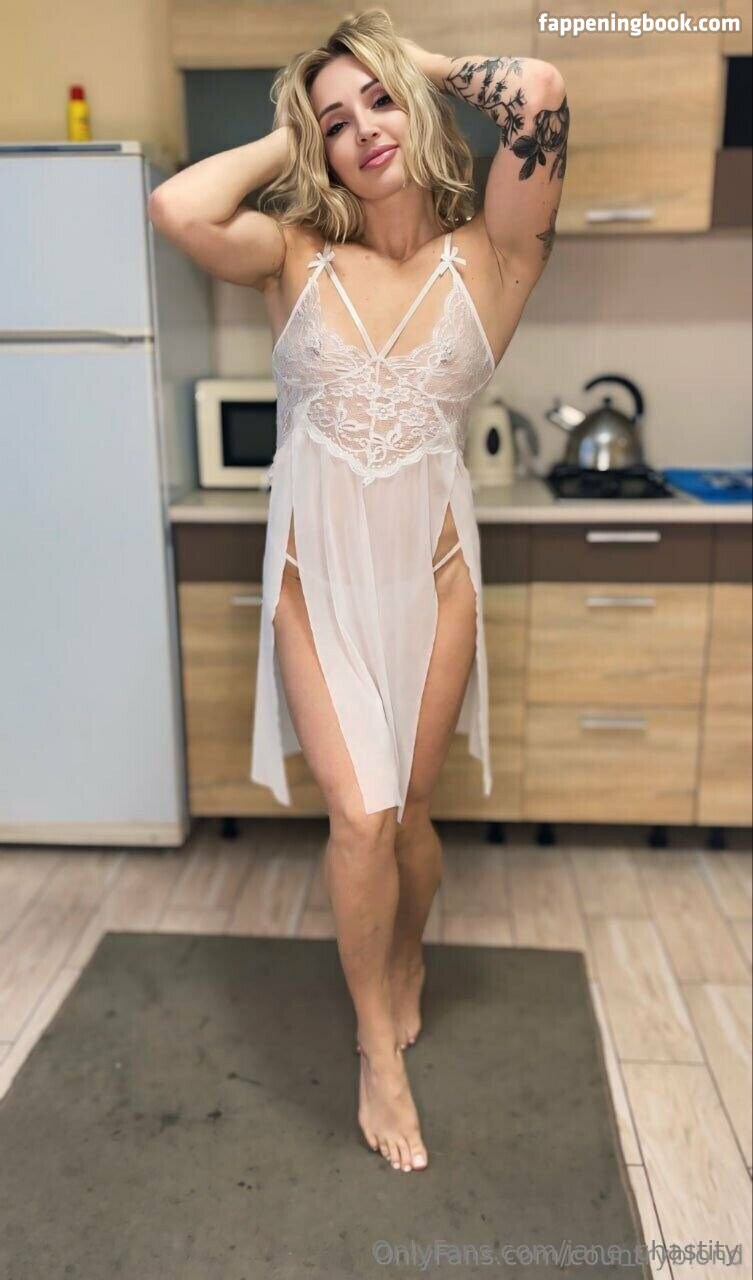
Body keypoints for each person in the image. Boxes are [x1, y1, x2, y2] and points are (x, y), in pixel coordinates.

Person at [148, 7, 568, 1174]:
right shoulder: (291, 252)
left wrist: (409, 64)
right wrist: (297, 129)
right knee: (361, 815)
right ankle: (378, 1050)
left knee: (413, 812)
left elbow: (538, 91)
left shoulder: (496, 254)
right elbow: (177, 208)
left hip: (435, 580)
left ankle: (406, 954)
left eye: (378, 103)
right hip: (313, 582)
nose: (363, 130)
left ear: (417, 105)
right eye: (336, 121)